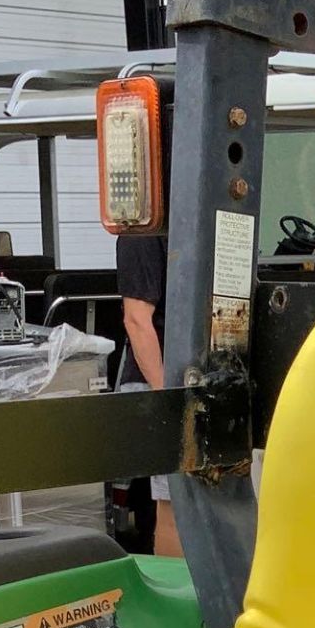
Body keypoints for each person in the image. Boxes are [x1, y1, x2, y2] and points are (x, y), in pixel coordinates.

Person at [115, 231, 181, 558]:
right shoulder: (142, 231)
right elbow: (137, 319)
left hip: (207, 378)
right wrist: (165, 395)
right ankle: (180, 598)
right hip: (162, 384)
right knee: (174, 507)